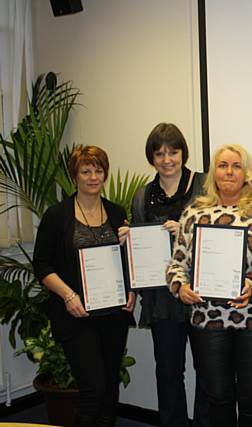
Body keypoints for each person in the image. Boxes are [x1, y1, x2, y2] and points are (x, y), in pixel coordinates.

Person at [166, 144, 252, 427]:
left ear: (247, 172)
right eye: (222, 165)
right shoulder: (195, 212)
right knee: (217, 397)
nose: (229, 171)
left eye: (236, 165)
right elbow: (176, 265)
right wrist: (180, 287)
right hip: (208, 320)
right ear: (213, 172)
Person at [33, 145, 135, 427]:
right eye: (86, 171)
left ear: (105, 174)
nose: (93, 177)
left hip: (113, 314)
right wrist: (68, 296)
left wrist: (132, 291)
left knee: (110, 387)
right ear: (74, 175)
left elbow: (127, 261)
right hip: (75, 315)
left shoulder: (116, 213)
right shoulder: (57, 216)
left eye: (98, 170)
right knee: (93, 388)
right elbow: (41, 265)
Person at [129, 123, 207, 427]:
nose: (167, 159)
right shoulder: (142, 196)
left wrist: (188, 232)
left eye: (173, 151)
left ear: (183, 153)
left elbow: (221, 234)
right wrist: (129, 239)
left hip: (201, 295)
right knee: (168, 372)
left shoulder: (204, 186)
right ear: (151, 157)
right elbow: (138, 248)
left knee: (209, 372)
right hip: (162, 299)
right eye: (159, 153)